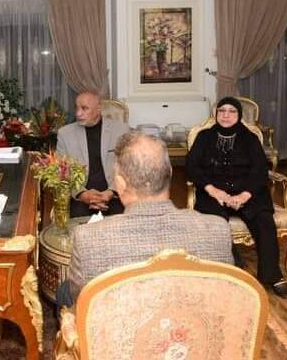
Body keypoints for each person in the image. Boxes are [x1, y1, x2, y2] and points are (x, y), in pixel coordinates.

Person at [58, 131, 234, 306]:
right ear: (170, 173)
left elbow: (81, 301)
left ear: (120, 184)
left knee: (65, 291)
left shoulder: (88, 238)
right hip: (193, 319)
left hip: (121, 322)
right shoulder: (218, 229)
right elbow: (228, 295)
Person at [186, 97, 287, 298]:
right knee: (214, 221)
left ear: (239, 115)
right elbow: (192, 167)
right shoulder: (204, 137)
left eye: (231, 111)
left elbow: (260, 170)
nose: (226, 115)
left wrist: (244, 195)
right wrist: (214, 191)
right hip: (214, 193)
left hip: (248, 192)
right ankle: (233, 269)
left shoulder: (250, 138)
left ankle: (272, 275)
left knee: (264, 220)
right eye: (222, 111)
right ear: (216, 114)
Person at [56, 91, 130, 217]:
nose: (78, 113)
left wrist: (111, 192)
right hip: (81, 197)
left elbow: (128, 166)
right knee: (78, 225)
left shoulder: (121, 130)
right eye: (77, 108)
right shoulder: (65, 134)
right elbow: (61, 170)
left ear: (99, 108)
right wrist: (82, 194)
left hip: (115, 194)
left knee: (121, 224)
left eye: (84, 108)